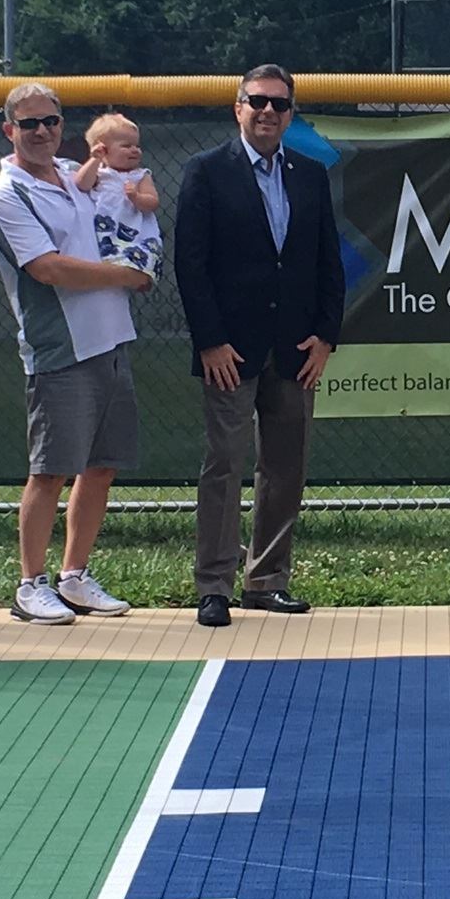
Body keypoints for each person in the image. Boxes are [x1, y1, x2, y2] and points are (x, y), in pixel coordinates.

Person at [175, 64, 345, 628]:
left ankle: (267, 580)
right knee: (223, 464)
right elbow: (191, 266)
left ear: (291, 113)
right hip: (230, 351)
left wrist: (326, 337)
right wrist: (211, 341)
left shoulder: (309, 175)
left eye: (278, 104)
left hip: (295, 348)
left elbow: (327, 262)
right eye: (257, 101)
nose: (267, 111)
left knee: (286, 466)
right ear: (238, 108)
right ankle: (214, 586)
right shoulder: (205, 172)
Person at [0, 84, 154, 624]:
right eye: (29, 123)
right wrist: (126, 275)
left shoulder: (78, 172)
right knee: (51, 471)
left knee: (101, 467)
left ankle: (74, 576)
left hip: (112, 339)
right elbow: (47, 268)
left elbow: (129, 214)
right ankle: (29, 584)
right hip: (59, 348)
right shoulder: (7, 192)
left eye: (51, 121)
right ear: (9, 128)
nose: (41, 131)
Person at [75, 112, 163, 278]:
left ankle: (138, 271)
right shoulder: (100, 173)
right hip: (104, 229)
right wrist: (94, 159)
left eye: (137, 146)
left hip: (134, 232)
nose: (135, 150)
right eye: (126, 146)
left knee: (137, 258)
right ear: (102, 149)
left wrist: (137, 197)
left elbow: (153, 202)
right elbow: (82, 184)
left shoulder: (140, 175)